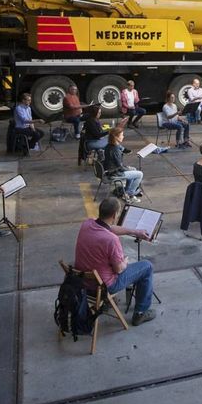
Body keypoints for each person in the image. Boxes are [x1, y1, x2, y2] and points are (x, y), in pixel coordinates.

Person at [74, 196, 156, 326]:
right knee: (146, 266)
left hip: (82, 282)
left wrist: (135, 231)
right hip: (104, 287)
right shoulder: (111, 240)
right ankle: (140, 312)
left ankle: (107, 303)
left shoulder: (87, 224)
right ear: (114, 215)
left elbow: (109, 228)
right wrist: (125, 261)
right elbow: (119, 269)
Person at [104, 129, 143, 203]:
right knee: (140, 174)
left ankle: (126, 192)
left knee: (133, 169)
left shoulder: (109, 146)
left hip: (110, 170)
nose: (123, 136)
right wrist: (127, 168)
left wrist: (128, 168)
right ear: (116, 137)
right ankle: (130, 194)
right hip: (115, 173)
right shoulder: (115, 149)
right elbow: (120, 167)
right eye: (121, 135)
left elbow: (118, 164)